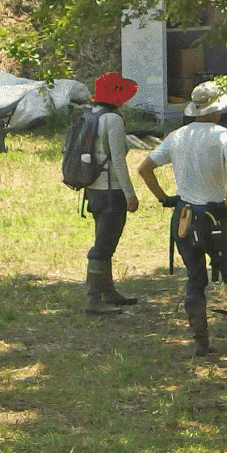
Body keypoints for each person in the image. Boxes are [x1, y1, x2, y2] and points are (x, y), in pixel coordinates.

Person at [138, 82, 227, 357]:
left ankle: (201, 342)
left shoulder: (177, 136)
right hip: (213, 218)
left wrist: (165, 198)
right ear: (215, 110)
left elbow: (145, 168)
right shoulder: (223, 135)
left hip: (184, 216)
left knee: (195, 278)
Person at [81, 71, 143, 315]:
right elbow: (118, 159)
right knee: (104, 246)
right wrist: (130, 194)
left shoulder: (90, 115)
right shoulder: (113, 120)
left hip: (93, 189)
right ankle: (94, 299)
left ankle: (108, 292)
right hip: (111, 190)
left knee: (103, 240)